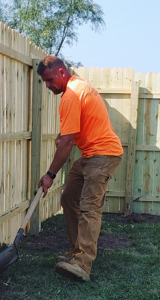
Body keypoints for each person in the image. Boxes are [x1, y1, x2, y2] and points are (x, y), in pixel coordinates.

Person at [37, 56, 123, 282]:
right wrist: (63, 135)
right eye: (45, 82)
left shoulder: (71, 95)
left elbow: (67, 143)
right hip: (90, 154)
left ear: (61, 73)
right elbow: (74, 129)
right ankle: (76, 252)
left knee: (89, 206)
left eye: (49, 80)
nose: (47, 86)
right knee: (69, 198)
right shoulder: (78, 85)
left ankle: (83, 265)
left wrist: (49, 175)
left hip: (103, 153)